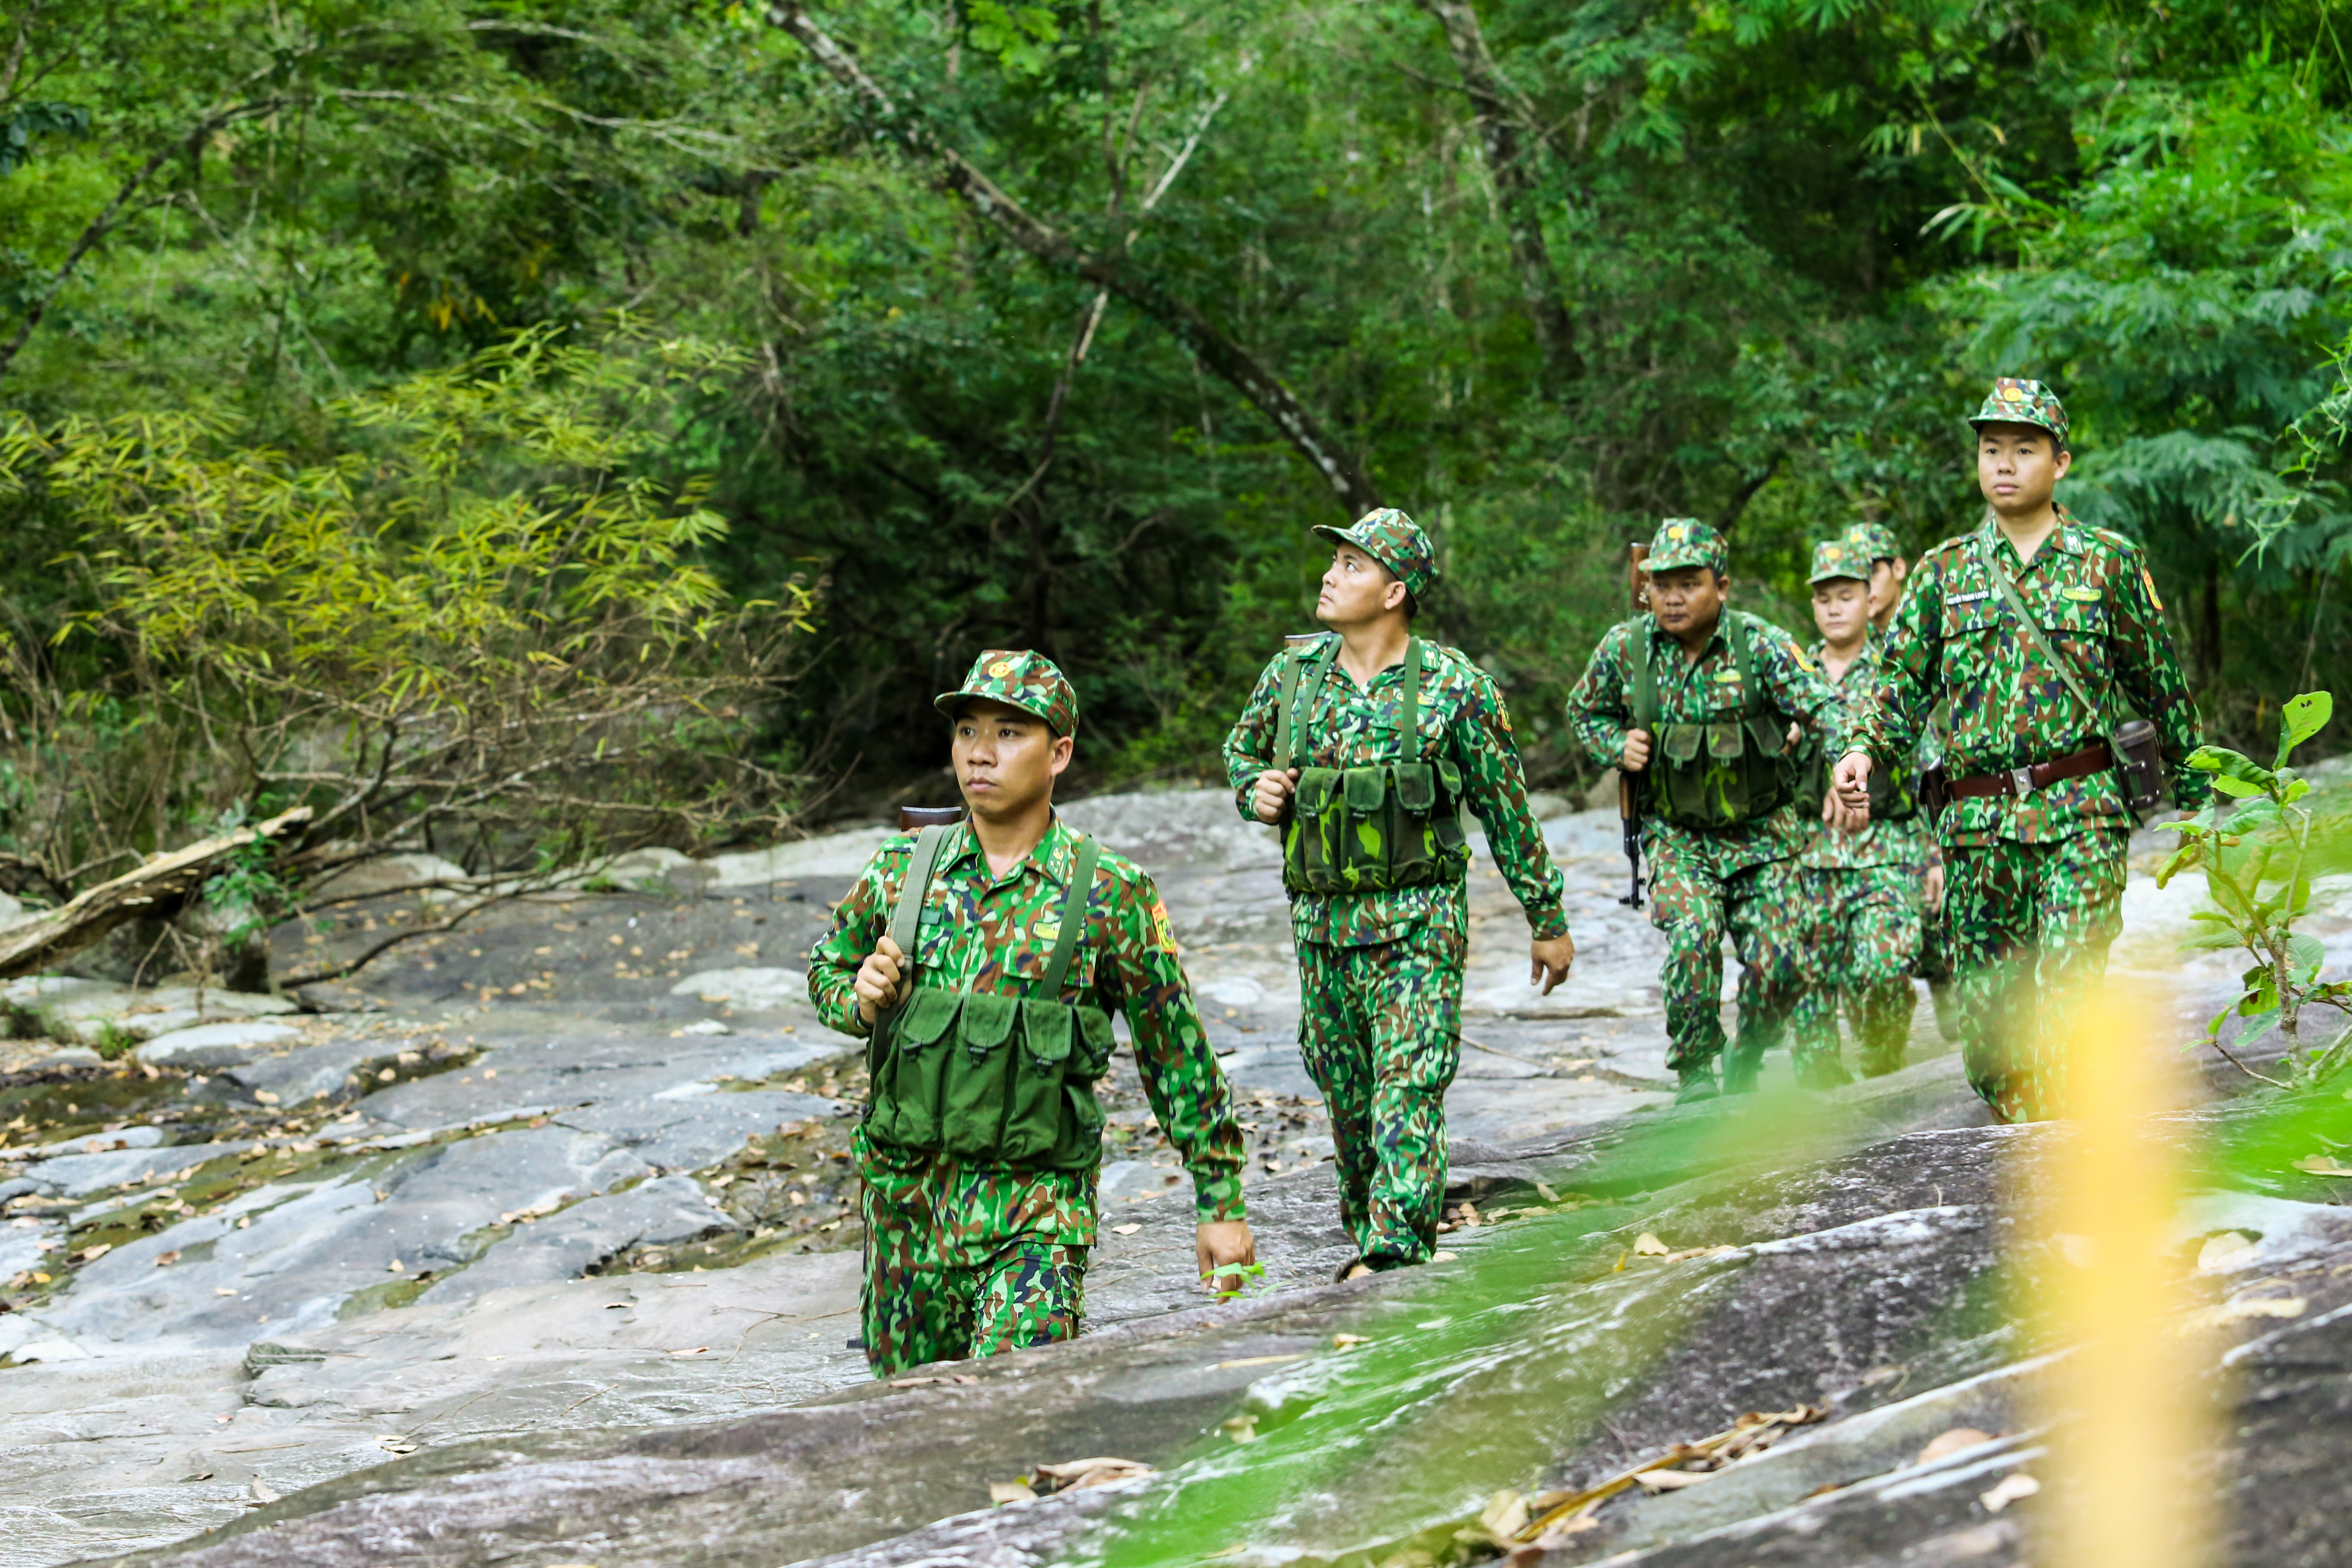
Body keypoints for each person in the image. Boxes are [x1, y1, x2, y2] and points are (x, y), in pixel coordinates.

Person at [808, 650, 1254, 1375]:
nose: (980, 753)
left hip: (1035, 1217)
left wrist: (1221, 1201)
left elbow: (1175, 1053)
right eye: (967, 730)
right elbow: (826, 972)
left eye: (1009, 733)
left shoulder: (1109, 892)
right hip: (905, 1222)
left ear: (1060, 753)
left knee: (1018, 1414)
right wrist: (858, 997)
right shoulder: (903, 870)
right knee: (915, 1432)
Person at [1833, 378, 2208, 1121]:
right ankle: (2017, 1147)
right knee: (1994, 1033)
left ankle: (2069, 1153)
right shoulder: (1944, 572)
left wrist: (2196, 802)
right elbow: (1900, 685)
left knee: (2068, 992)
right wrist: (1861, 750)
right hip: (1978, 828)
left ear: (2059, 462)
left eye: (2023, 449)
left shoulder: (2106, 562)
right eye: (1990, 449)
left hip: (2080, 812)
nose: (2003, 464)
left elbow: (2161, 686)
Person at [1222, 508, 1574, 1275]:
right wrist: (1257, 792)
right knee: (1349, 1108)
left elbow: (1505, 807)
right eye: (1335, 560)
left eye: (1352, 564)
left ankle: (1395, 1260)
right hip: (1321, 932)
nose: (1329, 574)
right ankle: (1369, 1235)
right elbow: (1239, 753)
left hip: (1419, 928)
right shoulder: (1290, 678)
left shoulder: (1455, 687)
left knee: (1408, 1089)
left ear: (1395, 592)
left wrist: (1546, 917)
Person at [1565, 518, 1854, 1102]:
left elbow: (1825, 706)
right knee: (1693, 940)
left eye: (1688, 584)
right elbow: (1583, 711)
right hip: (1678, 835)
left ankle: (1748, 1053)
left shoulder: (1761, 645)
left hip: (1764, 834)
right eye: (1660, 584)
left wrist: (1848, 757)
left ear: (1721, 587)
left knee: (1782, 967)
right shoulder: (1627, 648)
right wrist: (1614, 746)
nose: (1672, 596)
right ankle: (1697, 1077)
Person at [1786, 538, 1923, 1085]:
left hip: (1886, 847)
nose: (1835, 608)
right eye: (1824, 599)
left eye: (1846, 596)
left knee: (1884, 966)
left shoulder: (1898, 669)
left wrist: (1935, 857)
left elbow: (1928, 761)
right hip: (1808, 855)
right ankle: (1818, 1101)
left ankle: (1884, 1065)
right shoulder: (1790, 672)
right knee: (1811, 982)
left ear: (1870, 600)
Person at [1841, 519, 1956, 1041]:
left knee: (1941, 923)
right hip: (1885, 810)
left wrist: (1937, 847)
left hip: (1946, 795)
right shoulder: (1850, 643)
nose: (1861, 588)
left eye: (1869, 573)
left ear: (1897, 570)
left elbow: (1932, 747)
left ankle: (1954, 1015)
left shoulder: (1928, 623)